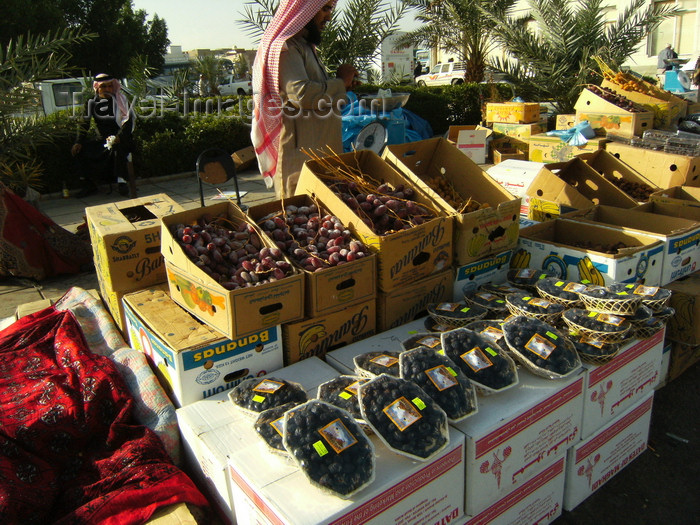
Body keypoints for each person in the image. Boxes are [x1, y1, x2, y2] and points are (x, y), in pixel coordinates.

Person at [251, 0, 360, 198]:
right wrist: (340, 83)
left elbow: (318, 96)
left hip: (320, 151)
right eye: (325, 9)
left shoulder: (305, 46)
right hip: (301, 157)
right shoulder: (286, 48)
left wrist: (343, 84)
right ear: (304, 11)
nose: (329, 17)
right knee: (299, 217)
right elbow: (301, 94)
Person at [71, 74, 134, 198]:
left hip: (121, 138)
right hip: (101, 139)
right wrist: (78, 141)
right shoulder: (91, 103)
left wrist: (118, 137)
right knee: (80, 150)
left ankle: (122, 182)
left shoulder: (121, 101)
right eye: (104, 87)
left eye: (110, 86)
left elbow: (128, 123)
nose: (108, 89)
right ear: (97, 88)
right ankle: (89, 184)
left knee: (118, 149)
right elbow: (84, 123)